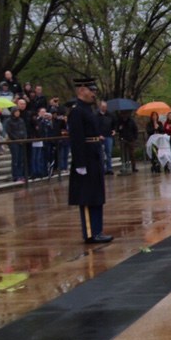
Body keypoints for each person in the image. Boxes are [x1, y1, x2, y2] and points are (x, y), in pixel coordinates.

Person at [68, 77, 110, 243]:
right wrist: (80, 163)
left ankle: (98, 229)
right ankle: (91, 232)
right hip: (85, 158)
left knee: (96, 195)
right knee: (87, 197)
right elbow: (76, 139)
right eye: (91, 90)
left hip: (94, 155)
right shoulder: (77, 111)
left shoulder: (88, 110)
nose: (94, 94)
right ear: (81, 91)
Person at [5, 105, 28, 183]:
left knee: (20, 159)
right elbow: (9, 131)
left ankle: (21, 175)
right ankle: (15, 175)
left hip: (22, 141)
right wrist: (17, 139)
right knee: (15, 159)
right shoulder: (9, 121)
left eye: (18, 112)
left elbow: (24, 130)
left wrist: (24, 138)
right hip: (14, 142)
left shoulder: (21, 120)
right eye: (16, 112)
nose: (18, 113)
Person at [96, 100, 115, 174]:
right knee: (101, 154)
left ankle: (109, 168)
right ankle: (102, 169)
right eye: (103, 107)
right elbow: (95, 126)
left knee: (109, 153)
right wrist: (98, 134)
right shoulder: (96, 116)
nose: (104, 108)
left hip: (108, 136)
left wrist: (114, 130)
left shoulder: (110, 115)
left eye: (105, 107)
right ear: (100, 107)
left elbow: (114, 123)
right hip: (100, 136)